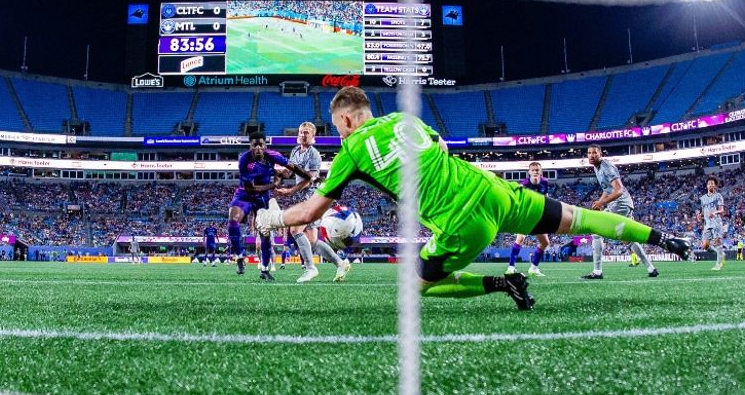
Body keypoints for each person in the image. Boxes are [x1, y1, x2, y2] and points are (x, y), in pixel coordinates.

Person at [256, 88, 690, 310]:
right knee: (579, 219)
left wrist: (271, 222)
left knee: (415, 286)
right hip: (493, 189)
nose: (339, 133)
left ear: (347, 119)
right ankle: (664, 238)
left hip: (463, 222)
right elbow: (440, 148)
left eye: (337, 127)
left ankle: (502, 282)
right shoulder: (406, 119)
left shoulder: (351, 149)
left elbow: (312, 210)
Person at [229, 131, 314, 281]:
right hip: (245, 194)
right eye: (254, 145)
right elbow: (250, 189)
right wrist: (273, 184)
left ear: (265, 145)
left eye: (261, 144)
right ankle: (240, 257)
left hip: (262, 199)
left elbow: (293, 167)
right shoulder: (244, 160)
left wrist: (308, 176)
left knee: (265, 234)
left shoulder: (272, 155)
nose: (258, 148)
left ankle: (265, 270)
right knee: (233, 221)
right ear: (250, 146)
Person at [275, 121, 351, 284]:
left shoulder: (314, 154)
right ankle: (340, 263)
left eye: (307, 133)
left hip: (312, 197)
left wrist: (290, 191)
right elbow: (290, 172)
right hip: (302, 197)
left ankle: (310, 268)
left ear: (313, 137)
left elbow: (310, 179)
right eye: (301, 132)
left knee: (295, 229)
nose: (303, 135)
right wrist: (278, 172)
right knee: (312, 241)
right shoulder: (295, 151)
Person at [583, 145, 660, 280]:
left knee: (596, 230)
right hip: (622, 203)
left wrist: (602, 203)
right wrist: (599, 201)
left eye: (594, 153)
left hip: (621, 203)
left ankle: (597, 271)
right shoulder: (597, 167)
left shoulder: (606, 167)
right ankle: (651, 268)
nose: (591, 155)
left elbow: (619, 190)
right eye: (589, 153)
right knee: (627, 239)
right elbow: (608, 190)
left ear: (600, 153)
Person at [505, 162, 548, 278]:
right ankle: (511, 268)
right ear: (529, 172)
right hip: (526, 215)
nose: (535, 172)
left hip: (538, 215)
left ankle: (533, 268)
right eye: (533, 170)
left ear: (541, 171)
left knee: (545, 242)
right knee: (520, 238)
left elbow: (546, 197)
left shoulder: (545, 182)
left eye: (537, 170)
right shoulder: (524, 185)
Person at [699, 176, 727, 271]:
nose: (711, 185)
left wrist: (715, 212)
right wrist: (700, 215)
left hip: (716, 223)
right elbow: (703, 211)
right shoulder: (702, 198)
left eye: (712, 183)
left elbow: (722, 210)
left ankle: (718, 264)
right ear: (706, 186)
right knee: (705, 246)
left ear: (715, 186)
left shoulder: (718, 196)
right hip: (707, 225)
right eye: (709, 183)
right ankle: (721, 254)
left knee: (717, 243)